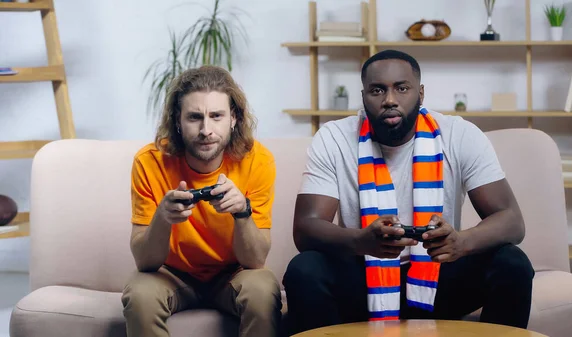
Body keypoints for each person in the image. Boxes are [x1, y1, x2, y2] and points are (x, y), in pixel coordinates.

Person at [283, 49, 534, 335]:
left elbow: (512, 220)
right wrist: (361, 241)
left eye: (402, 88)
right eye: (377, 90)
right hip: (364, 278)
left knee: (512, 264)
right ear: (363, 97)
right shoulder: (334, 138)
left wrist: (461, 242)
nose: (390, 100)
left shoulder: (459, 134)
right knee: (304, 269)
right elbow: (305, 230)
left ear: (421, 93)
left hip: (437, 277)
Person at [121, 65, 281, 337]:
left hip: (234, 273)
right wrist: (163, 217)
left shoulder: (258, 161)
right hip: (171, 274)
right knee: (140, 295)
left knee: (262, 289)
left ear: (233, 118)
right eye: (194, 117)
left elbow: (255, 261)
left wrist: (242, 211)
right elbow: (145, 263)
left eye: (216, 116)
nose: (206, 130)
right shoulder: (150, 162)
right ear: (178, 122)